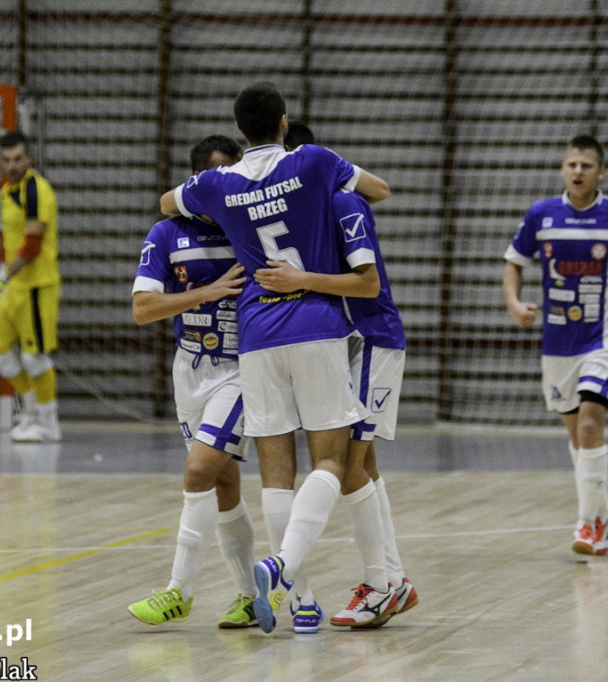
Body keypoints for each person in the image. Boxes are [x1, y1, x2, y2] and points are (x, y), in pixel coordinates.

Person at [158, 81, 395, 634]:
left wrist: (214, 194)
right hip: (315, 322)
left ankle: (302, 603)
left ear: (240, 132)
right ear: (285, 123)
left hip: (257, 333)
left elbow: (167, 203)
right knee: (334, 461)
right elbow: (379, 190)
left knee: (277, 476)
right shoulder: (314, 162)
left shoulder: (218, 182)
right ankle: (282, 569)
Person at [269, 121, 418, 628]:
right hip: (344, 346)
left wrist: (301, 280)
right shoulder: (303, 212)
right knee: (364, 467)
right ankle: (392, 581)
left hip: (372, 341)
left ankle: (382, 583)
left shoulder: (342, 202)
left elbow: (368, 283)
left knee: (348, 466)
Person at [502, 134, 608, 556]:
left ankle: (588, 523)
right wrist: (515, 304)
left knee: (590, 423)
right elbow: (513, 264)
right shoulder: (542, 215)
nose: (577, 172)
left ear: (601, 172)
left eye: (586, 166)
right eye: (571, 164)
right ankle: (604, 510)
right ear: (562, 170)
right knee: (576, 436)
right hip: (557, 340)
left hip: (603, 335)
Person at [126, 135, 260, 629]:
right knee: (224, 482)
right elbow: (142, 309)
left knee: (198, 472)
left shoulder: (250, 227)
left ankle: (178, 591)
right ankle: (250, 595)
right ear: (198, 183)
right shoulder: (166, 233)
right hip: (190, 371)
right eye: (219, 179)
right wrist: (205, 291)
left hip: (240, 370)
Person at [0, 131, 62, 443]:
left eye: (17, 159)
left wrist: (2, 275)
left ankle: (48, 424)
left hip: (37, 286)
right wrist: (5, 281)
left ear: (29, 159)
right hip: (14, 287)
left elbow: (31, 246)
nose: (12, 165)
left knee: (34, 358)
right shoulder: (7, 190)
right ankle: (30, 411)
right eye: (6, 160)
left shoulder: (36, 191)